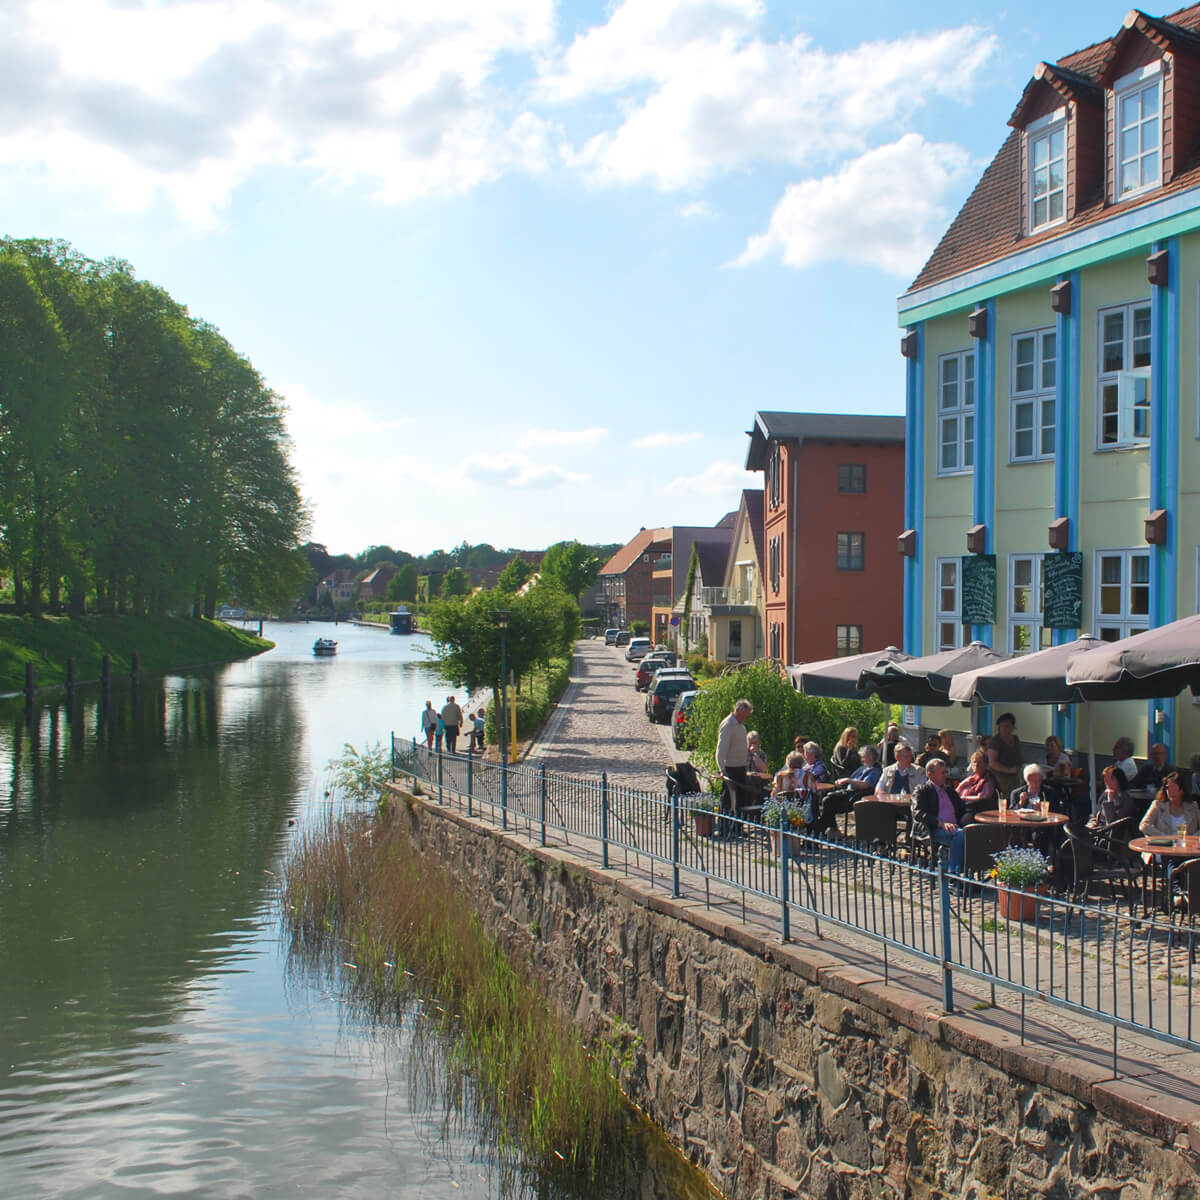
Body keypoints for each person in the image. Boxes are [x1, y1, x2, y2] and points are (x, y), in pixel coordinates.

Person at [811, 744, 881, 837]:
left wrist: (848, 780)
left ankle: (818, 830)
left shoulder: (875, 770)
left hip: (858, 797)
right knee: (828, 800)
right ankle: (825, 829)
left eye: (864, 756)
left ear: (871, 757)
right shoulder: (863, 768)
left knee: (828, 802)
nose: (862, 759)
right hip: (849, 794)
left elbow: (865, 785)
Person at [914, 758, 966, 873]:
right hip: (934, 829)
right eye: (942, 773)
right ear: (930, 774)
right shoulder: (923, 790)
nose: (945, 775)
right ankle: (955, 875)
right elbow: (918, 813)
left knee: (973, 833)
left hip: (956, 826)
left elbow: (961, 806)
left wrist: (967, 814)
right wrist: (941, 823)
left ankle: (971, 874)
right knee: (959, 835)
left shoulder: (949, 790)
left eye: (945, 772)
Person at [716, 699, 753, 819]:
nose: (745, 718)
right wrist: (722, 769)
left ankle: (738, 828)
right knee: (728, 799)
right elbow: (721, 749)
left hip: (741, 767)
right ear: (738, 711)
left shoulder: (741, 726)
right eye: (744, 715)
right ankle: (724, 827)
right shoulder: (728, 725)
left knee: (742, 799)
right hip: (730, 768)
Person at [988, 712, 1023, 799]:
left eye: (1007, 726)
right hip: (998, 779)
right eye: (1002, 726)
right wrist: (1009, 770)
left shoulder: (1015, 739)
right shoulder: (995, 741)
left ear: (1012, 727)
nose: (1004, 729)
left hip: (1015, 777)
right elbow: (992, 763)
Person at [955, 750, 997, 818]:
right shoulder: (970, 778)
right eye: (974, 762)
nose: (976, 765)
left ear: (986, 765)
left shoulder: (988, 779)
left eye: (980, 762)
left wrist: (965, 798)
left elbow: (983, 797)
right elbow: (955, 794)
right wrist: (962, 784)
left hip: (976, 810)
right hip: (961, 806)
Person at [797, 740, 830, 825]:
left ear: (812, 755)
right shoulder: (807, 765)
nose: (804, 756)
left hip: (817, 794)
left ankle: (811, 823)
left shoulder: (820, 766)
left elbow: (812, 777)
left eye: (805, 753)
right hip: (807, 792)